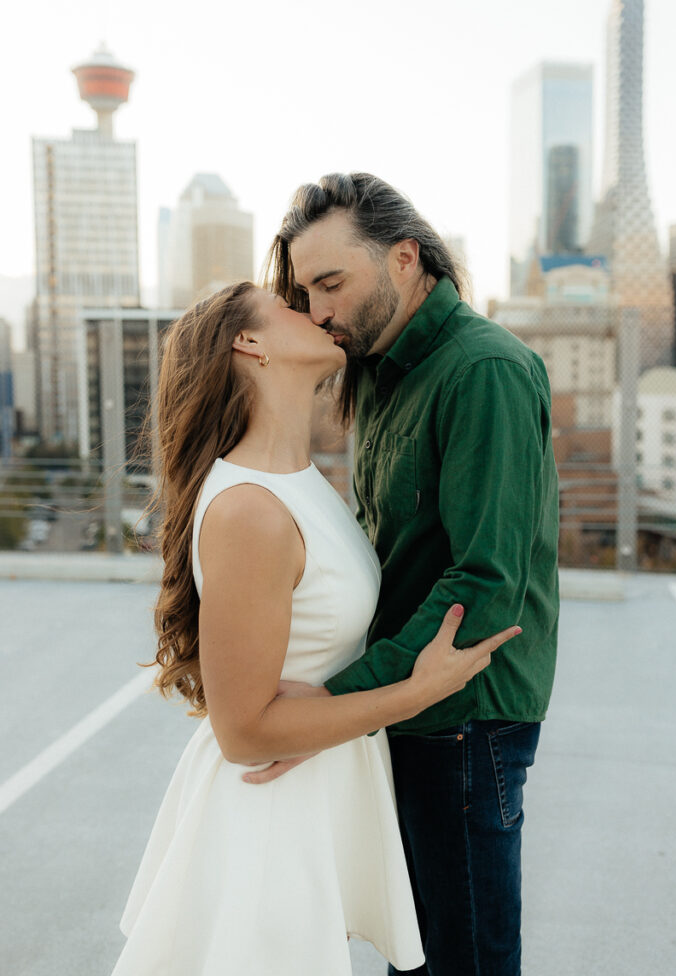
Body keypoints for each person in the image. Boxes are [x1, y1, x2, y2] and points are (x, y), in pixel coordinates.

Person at [110, 280, 520, 976]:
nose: (319, 312)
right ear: (249, 342)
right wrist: (413, 693)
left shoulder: (299, 481)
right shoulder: (250, 510)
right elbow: (244, 734)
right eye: (291, 304)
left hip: (303, 799)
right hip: (264, 821)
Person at [252, 173, 560, 976]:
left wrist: (340, 698)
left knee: (461, 961)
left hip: (462, 718)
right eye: (303, 291)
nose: (316, 310)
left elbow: (483, 585)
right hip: (405, 708)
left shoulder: (482, 371)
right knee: (413, 954)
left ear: (403, 258)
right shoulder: (382, 375)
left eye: (330, 283)